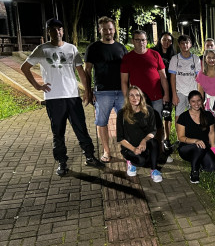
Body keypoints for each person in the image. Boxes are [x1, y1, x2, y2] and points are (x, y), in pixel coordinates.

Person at [21, 18, 104, 175]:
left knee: (81, 128)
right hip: (53, 98)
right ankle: (62, 162)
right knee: (58, 132)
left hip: (72, 96)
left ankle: (90, 156)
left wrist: (87, 91)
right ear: (48, 32)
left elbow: (81, 72)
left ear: (63, 31)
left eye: (59, 29)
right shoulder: (42, 49)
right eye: (53, 29)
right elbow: (24, 68)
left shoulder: (71, 48)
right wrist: (37, 85)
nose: (57, 32)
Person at [84, 16, 128, 163]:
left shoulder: (121, 48)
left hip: (121, 92)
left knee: (124, 122)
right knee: (102, 122)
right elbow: (87, 70)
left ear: (114, 29)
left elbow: (128, 70)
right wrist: (88, 91)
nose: (108, 32)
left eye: (110, 29)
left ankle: (126, 150)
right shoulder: (93, 48)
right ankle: (106, 151)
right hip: (102, 92)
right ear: (99, 30)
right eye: (104, 29)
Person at [116, 86, 162, 182]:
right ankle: (130, 163)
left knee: (154, 142)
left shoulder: (149, 110)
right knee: (141, 161)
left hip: (143, 144)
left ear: (141, 97)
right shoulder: (121, 113)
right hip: (129, 147)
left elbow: (153, 131)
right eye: (131, 95)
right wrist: (133, 149)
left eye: (137, 95)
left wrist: (144, 140)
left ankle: (154, 170)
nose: (134, 98)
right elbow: (120, 138)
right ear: (127, 98)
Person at [120, 30, 170, 115]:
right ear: (133, 41)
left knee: (157, 124)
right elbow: (124, 81)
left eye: (143, 40)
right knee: (139, 124)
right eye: (137, 40)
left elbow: (163, 77)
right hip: (138, 99)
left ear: (146, 41)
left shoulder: (155, 55)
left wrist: (166, 94)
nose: (141, 42)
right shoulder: (127, 58)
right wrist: (127, 98)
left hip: (156, 97)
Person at [176, 90, 215, 184]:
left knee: (212, 167)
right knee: (198, 146)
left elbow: (211, 133)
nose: (196, 104)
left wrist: (213, 149)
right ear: (189, 102)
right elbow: (181, 137)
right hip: (186, 148)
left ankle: (198, 161)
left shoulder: (207, 115)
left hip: (203, 147)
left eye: (198, 100)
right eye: (193, 101)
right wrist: (195, 141)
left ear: (202, 101)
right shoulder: (183, 117)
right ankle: (194, 172)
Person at [168, 34, 201, 126]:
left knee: (195, 114)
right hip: (180, 92)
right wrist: (174, 94)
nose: (185, 45)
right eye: (182, 43)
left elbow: (199, 77)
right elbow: (172, 78)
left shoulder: (196, 59)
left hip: (193, 91)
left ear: (190, 44)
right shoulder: (175, 59)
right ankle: (180, 138)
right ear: (179, 45)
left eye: (187, 43)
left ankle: (194, 134)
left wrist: (200, 94)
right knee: (179, 115)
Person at [152, 31, 176, 160]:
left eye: (169, 40)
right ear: (160, 40)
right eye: (164, 40)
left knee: (167, 115)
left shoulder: (174, 55)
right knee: (156, 115)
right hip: (156, 88)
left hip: (169, 89)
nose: (166, 42)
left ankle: (167, 139)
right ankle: (157, 139)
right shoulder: (154, 53)